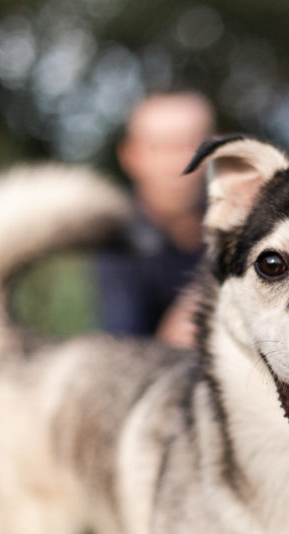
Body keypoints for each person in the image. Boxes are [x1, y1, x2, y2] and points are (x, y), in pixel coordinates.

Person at [95, 91, 214, 347]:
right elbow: (124, 350)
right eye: (160, 147)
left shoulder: (244, 224)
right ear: (131, 155)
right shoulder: (115, 238)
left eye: (191, 145)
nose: (179, 163)